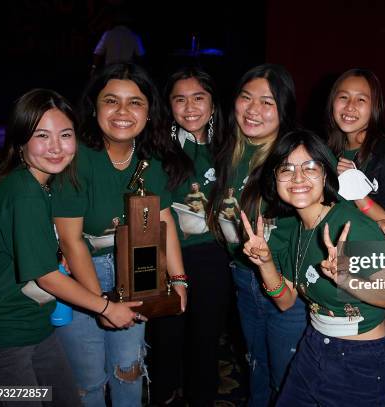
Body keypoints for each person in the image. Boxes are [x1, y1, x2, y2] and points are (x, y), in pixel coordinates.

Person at [0, 89, 141, 406]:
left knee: (62, 398)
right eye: (42, 136)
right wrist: (107, 308)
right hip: (1, 336)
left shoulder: (36, 184)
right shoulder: (22, 191)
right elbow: (47, 277)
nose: (56, 147)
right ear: (21, 141)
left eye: (65, 135)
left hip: (34, 327)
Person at [52, 63, 188, 407]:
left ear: (148, 110)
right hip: (81, 270)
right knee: (88, 379)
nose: (123, 112)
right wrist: (102, 304)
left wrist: (179, 279)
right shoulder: (76, 158)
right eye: (111, 100)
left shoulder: (150, 159)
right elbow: (71, 241)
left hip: (135, 264)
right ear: (94, 107)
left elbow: (164, 219)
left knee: (128, 368)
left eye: (135, 102)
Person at [241, 129, 385, 406]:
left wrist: (346, 278)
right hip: (313, 346)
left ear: (326, 175)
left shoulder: (353, 226)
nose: (298, 178)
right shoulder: (293, 231)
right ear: (274, 178)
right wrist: (266, 263)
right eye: (286, 169)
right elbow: (285, 301)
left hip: (359, 360)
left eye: (310, 167)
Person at [206, 64, 308, 406]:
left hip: (286, 283)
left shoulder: (294, 157)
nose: (253, 110)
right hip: (243, 276)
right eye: (246, 98)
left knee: (288, 376)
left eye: (267, 102)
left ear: (284, 109)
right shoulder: (228, 151)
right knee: (256, 366)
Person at [146, 66, 231, 406]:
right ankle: (163, 395)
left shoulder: (230, 146)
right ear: (169, 105)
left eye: (199, 98)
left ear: (213, 104)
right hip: (166, 255)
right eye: (180, 99)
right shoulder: (155, 148)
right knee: (166, 339)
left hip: (213, 256)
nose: (190, 107)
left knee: (205, 340)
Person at [327, 68, 385, 251]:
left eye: (361, 99)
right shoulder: (325, 155)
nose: (350, 106)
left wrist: (356, 186)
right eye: (343, 97)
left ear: (375, 106)